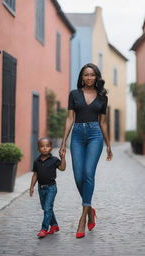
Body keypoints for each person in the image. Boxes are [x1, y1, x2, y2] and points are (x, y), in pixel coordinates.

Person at [59, 63, 113, 239]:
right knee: (78, 176)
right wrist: (63, 143)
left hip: (95, 135)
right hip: (77, 136)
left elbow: (103, 122)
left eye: (92, 75)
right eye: (86, 75)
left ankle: (82, 217)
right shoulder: (74, 94)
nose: (89, 78)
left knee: (89, 173)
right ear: (81, 77)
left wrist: (108, 145)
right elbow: (69, 119)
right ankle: (90, 209)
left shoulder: (103, 97)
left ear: (96, 77)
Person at [30, 137, 66, 238]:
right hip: (40, 188)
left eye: (47, 146)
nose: (45, 148)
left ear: (51, 148)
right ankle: (54, 225)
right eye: (42, 146)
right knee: (45, 208)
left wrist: (63, 158)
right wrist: (31, 187)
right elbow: (35, 175)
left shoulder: (54, 160)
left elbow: (62, 168)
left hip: (51, 188)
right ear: (38, 148)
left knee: (47, 208)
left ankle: (44, 229)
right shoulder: (36, 161)